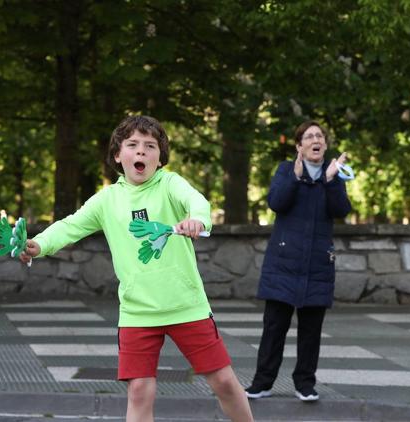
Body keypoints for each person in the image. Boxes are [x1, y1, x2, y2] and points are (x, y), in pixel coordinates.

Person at [19, 115, 253, 422]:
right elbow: (69, 226)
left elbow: (197, 202)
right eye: (132, 145)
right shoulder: (107, 200)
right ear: (118, 155)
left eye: (150, 146)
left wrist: (198, 219)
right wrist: (39, 244)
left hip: (187, 307)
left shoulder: (171, 184)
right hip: (137, 312)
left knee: (223, 381)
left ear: (160, 157)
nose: (141, 151)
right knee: (140, 390)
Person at [245, 120, 351, 402]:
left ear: (325, 145)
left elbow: (341, 209)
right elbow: (276, 203)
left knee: (311, 331)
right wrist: (294, 177)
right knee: (274, 327)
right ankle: (262, 383)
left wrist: (330, 181)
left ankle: (305, 384)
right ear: (299, 146)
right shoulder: (285, 170)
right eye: (309, 136)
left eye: (320, 136)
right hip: (284, 262)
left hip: (317, 265)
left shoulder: (334, 175)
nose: (315, 140)